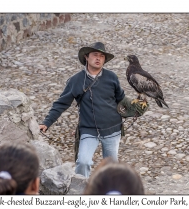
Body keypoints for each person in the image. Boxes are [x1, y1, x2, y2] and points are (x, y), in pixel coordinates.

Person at [39, 42, 148, 178]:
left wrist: (135, 107)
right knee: (83, 162)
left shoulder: (111, 77)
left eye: (102, 56)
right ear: (86, 57)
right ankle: (82, 192)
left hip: (112, 129)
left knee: (111, 169)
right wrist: (47, 122)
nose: (98, 58)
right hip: (89, 130)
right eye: (95, 55)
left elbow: (121, 99)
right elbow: (61, 103)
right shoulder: (75, 80)